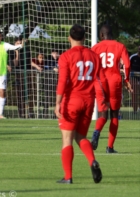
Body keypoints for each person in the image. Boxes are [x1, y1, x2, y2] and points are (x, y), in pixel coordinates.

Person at [54, 24, 107, 184]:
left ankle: (68, 177)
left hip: (72, 100)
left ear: (69, 38)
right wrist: (102, 98)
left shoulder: (66, 56)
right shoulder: (94, 56)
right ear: (84, 38)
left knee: (67, 139)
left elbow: (62, 80)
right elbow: (101, 79)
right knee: (81, 136)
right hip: (88, 101)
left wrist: (57, 103)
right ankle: (92, 161)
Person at [90, 24, 132, 154]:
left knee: (103, 114)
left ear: (101, 35)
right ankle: (110, 147)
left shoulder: (95, 48)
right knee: (114, 114)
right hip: (114, 82)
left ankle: (96, 132)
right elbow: (127, 64)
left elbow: (90, 65)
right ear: (112, 34)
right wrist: (127, 80)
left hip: (100, 83)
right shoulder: (120, 46)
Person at [129, 46, 140, 114]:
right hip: (133, 78)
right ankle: (135, 110)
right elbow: (127, 66)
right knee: (134, 94)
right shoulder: (133, 57)